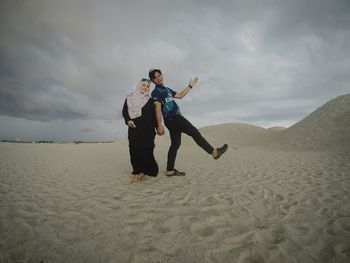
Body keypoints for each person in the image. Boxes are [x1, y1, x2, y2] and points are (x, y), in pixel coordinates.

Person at [149, 68, 228, 176]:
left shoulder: (167, 90)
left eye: (159, 75)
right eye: (155, 77)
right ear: (153, 81)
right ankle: (214, 153)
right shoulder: (156, 92)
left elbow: (180, 95)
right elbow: (157, 108)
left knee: (175, 144)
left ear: (162, 75)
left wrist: (190, 86)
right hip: (174, 118)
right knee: (195, 132)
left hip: (172, 120)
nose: (158, 78)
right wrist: (159, 125)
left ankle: (170, 170)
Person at [122, 78, 159, 182]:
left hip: (148, 131)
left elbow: (155, 116)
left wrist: (158, 127)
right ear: (138, 85)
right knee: (134, 151)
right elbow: (125, 112)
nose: (146, 87)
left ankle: (144, 171)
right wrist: (128, 121)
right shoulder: (129, 98)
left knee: (147, 152)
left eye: (148, 86)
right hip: (134, 129)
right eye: (143, 85)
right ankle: (137, 171)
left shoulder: (151, 100)